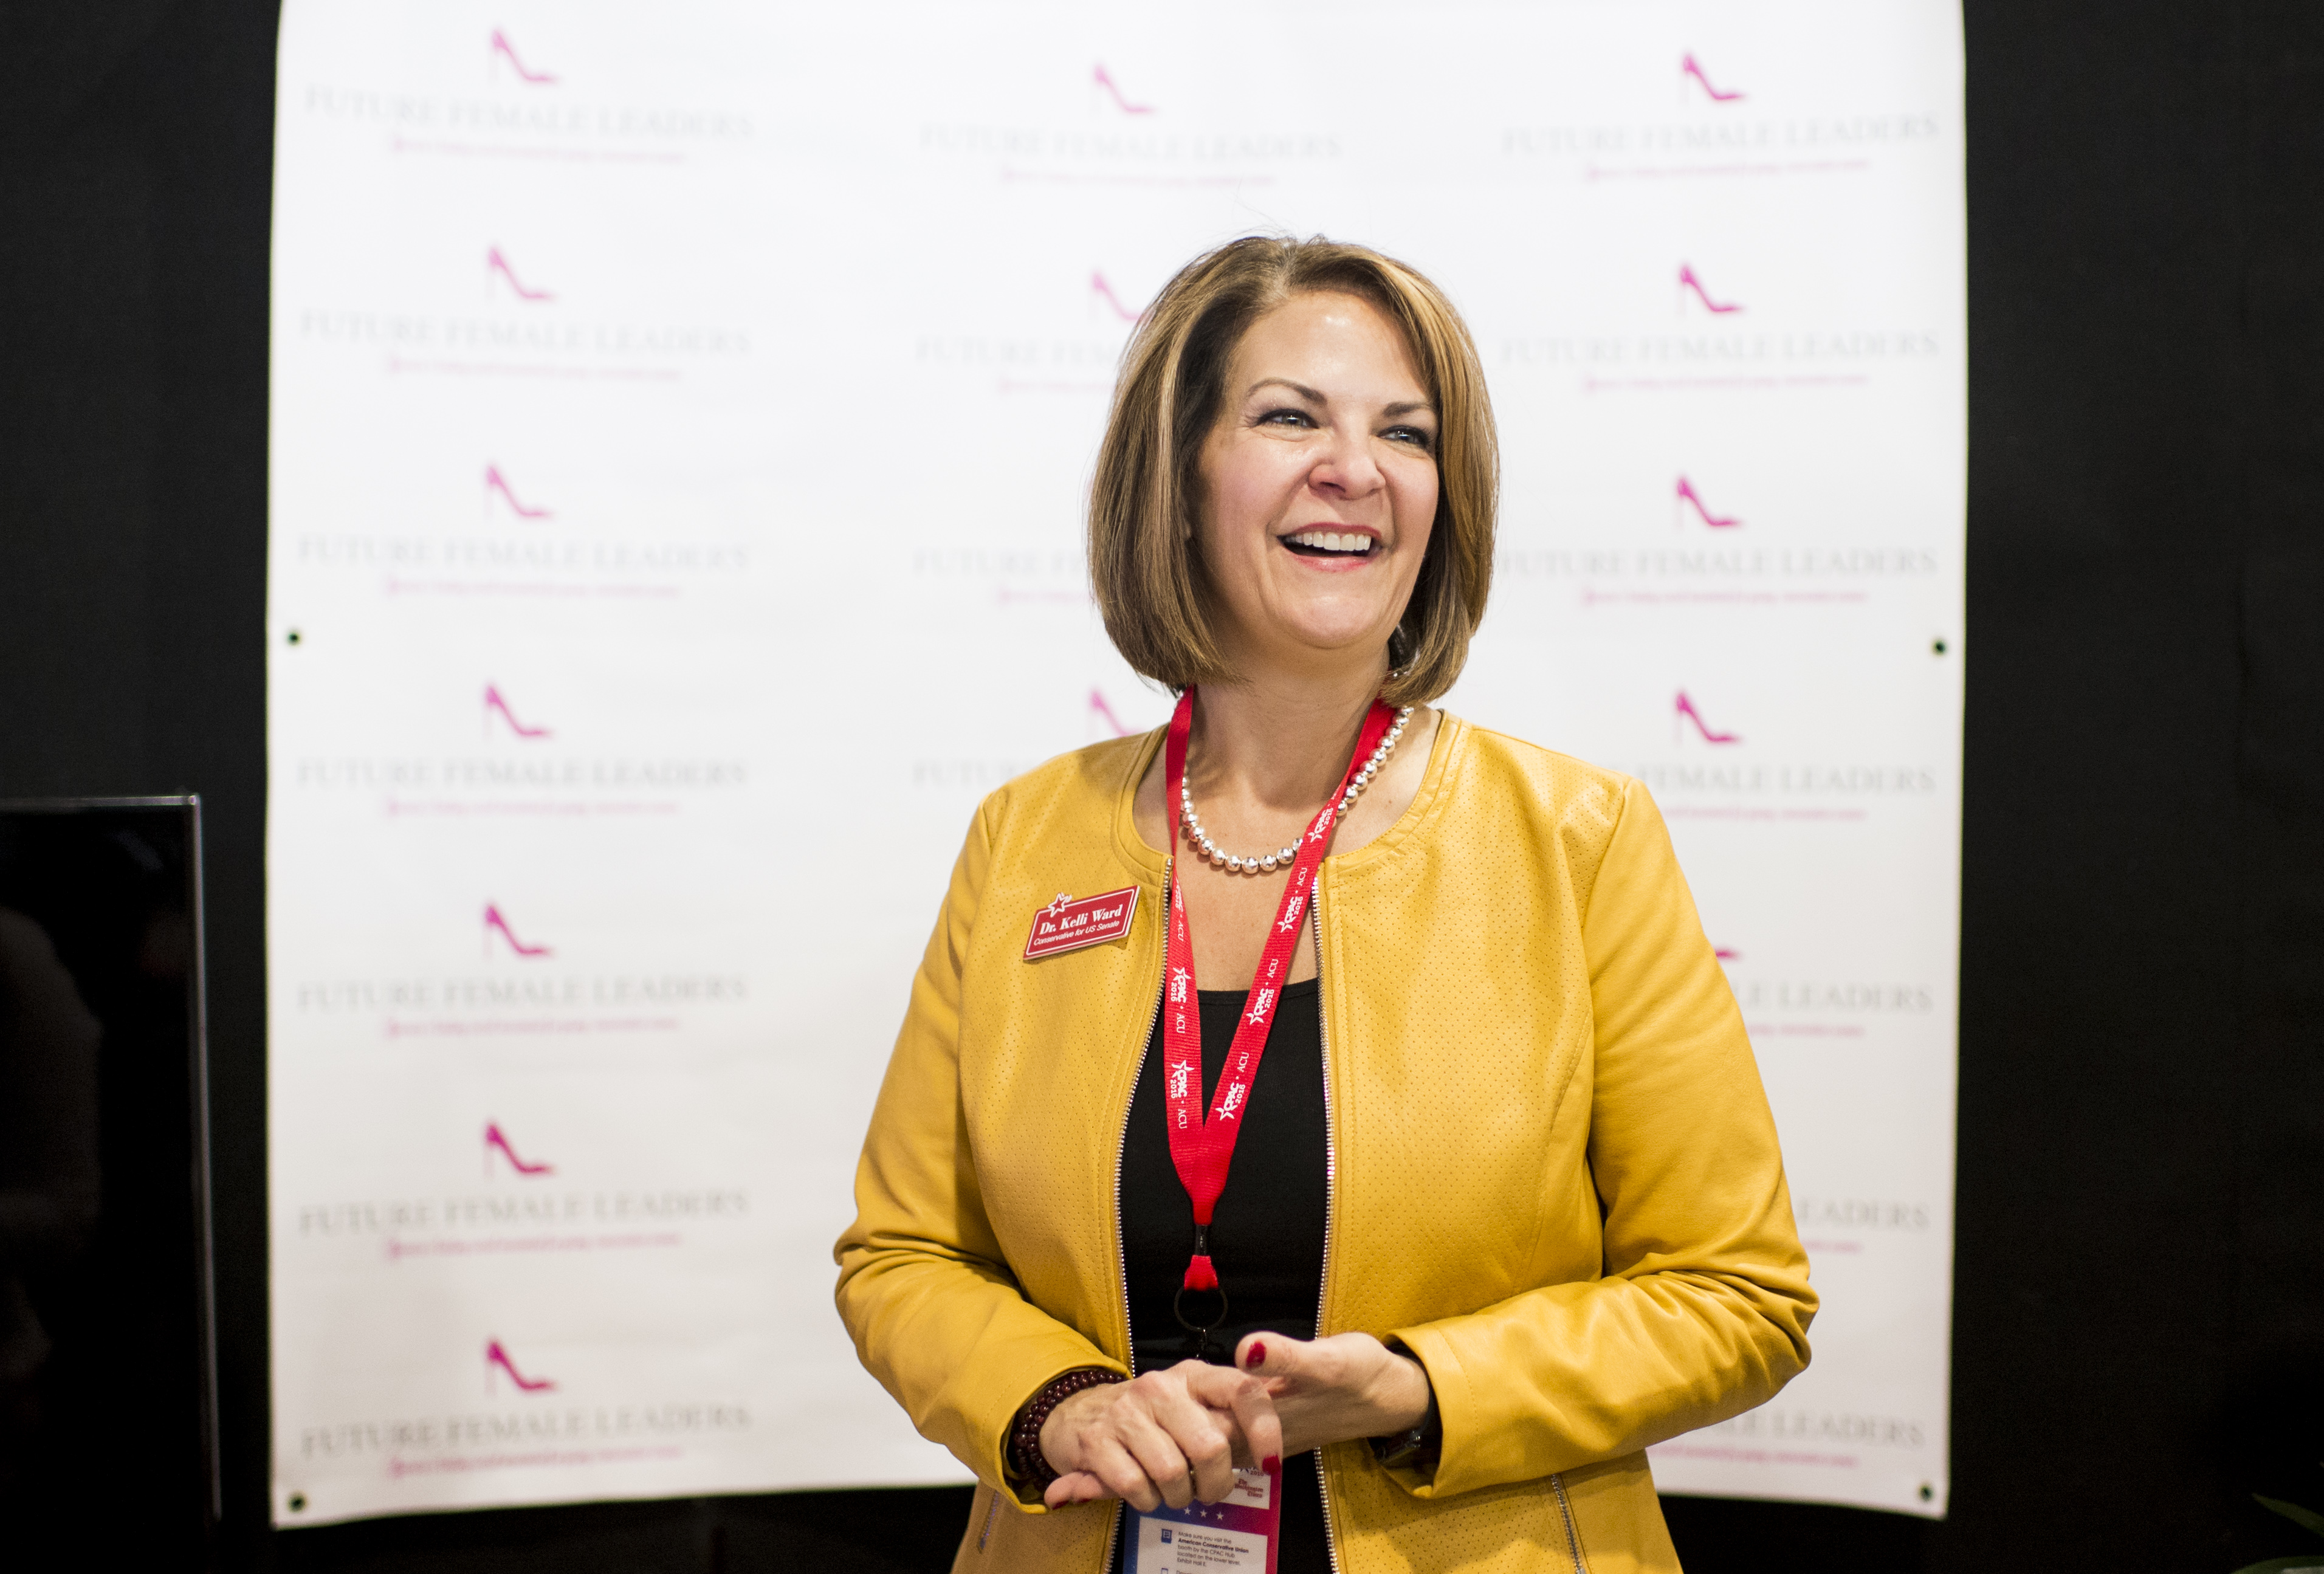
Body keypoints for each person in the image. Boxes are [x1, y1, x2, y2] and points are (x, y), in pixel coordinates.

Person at [835, 235, 1815, 1574]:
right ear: (1177, 478)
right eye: (1289, 414)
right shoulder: (1025, 840)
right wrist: (1066, 1405)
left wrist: (1420, 1382)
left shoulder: (1576, 837)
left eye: (1402, 433)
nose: (1351, 466)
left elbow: (1735, 1295)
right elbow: (902, 1256)